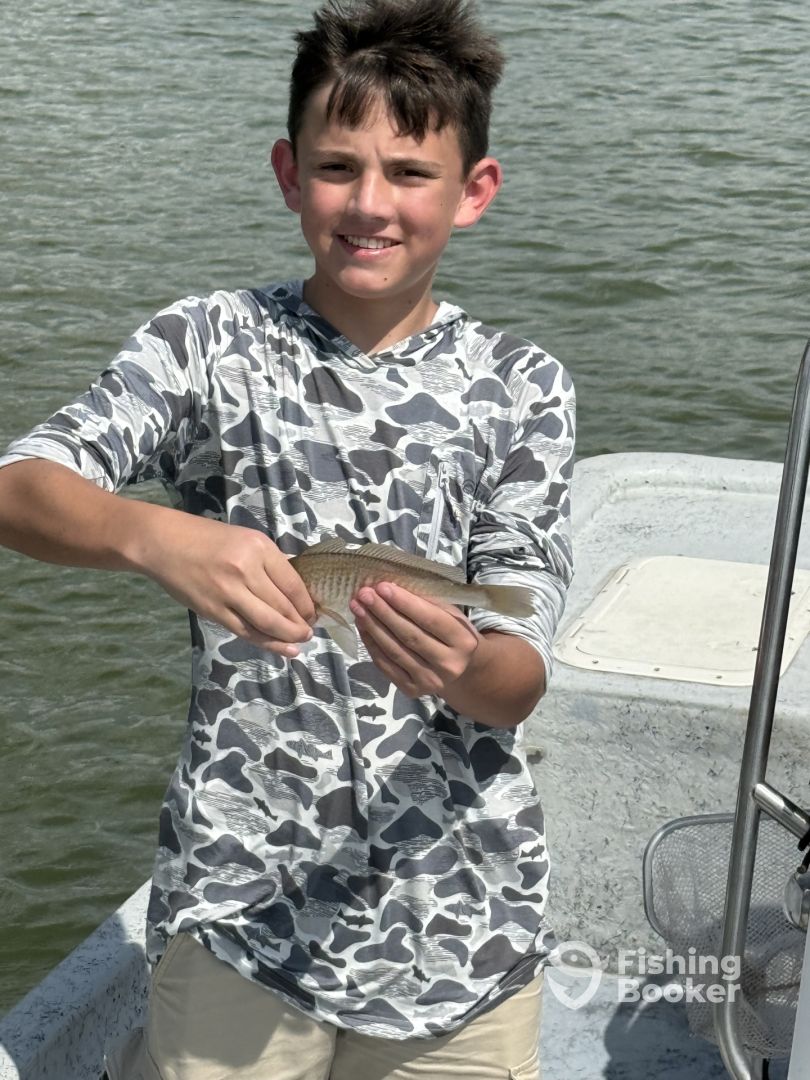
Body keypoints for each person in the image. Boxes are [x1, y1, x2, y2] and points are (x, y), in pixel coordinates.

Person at [0, 0, 575, 1076]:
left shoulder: (523, 385)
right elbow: (18, 488)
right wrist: (155, 536)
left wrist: (464, 667)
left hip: (461, 919)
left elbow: (517, 675)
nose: (370, 203)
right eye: (337, 167)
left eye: (410, 172)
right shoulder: (207, 343)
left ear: (474, 191)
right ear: (287, 173)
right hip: (238, 907)